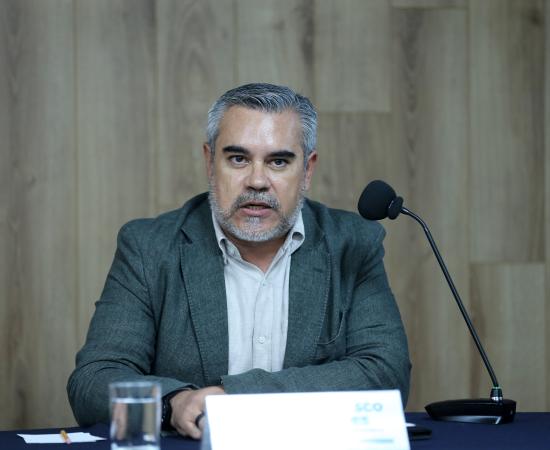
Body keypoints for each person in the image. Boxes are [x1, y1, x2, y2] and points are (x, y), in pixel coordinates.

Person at [67, 83, 410, 439]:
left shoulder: (352, 244)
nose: (257, 181)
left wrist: (233, 397)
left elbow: (386, 374)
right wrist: (173, 403)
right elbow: (93, 381)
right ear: (209, 162)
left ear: (307, 170)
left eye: (278, 162)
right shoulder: (149, 247)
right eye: (238, 159)